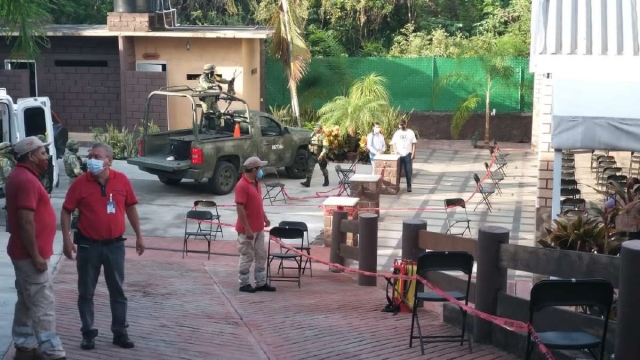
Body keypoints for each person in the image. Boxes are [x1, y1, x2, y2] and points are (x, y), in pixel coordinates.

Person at [60, 143, 146, 351]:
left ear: (109, 160)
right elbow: (66, 211)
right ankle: (88, 333)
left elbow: (131, 207)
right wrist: (66, 239)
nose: (91, 160)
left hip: (115, 245)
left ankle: (120, 332)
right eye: (90, 156)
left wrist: (139, 236)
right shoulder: (80, 183)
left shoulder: (122, 180)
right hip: (89, 246)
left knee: (117, 290)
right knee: (86, 291)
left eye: (96, 156)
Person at [5, 136, 67, 360]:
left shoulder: (21, 176)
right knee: (43, 302)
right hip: (30, 256)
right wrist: (37, 256)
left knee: (27, 299)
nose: (46, 158)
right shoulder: (27, 181)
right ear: (30, 156)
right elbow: (25, 221)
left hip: (23, 253)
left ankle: (24, 344)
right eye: (42, 153)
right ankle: (52, 351)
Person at [235, 156, 276, 293]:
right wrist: (247, 228)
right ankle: (244, 283)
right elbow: (240, 208)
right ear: (254, 169)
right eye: (260, 168)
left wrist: (265, 217)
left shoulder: (256, 183)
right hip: (248, 229)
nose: (261, 171)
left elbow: (258, 203)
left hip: (258, 227)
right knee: (247, 255)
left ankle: (260, 282)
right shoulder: (242, 185)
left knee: (260, 254)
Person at [63, 140, 86, 230]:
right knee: (77, 200)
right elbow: (77, 171)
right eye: (76, 145)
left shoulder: (68, 155)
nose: (78, 147)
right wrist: (87, 175)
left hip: (72, 179)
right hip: (75, 180)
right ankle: (75, 223)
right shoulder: (72, 157)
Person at [390, 120, 417, 192]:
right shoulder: (397, 133)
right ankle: (397, 185)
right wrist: (395, 152)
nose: (402, 126)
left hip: (407, 154)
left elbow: (414, 143)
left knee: (408, 170)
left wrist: (413, 153)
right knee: (398, 171)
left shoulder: (410, 132)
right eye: (400, 125)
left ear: (406, 124)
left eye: (403, 125)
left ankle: (409, 186)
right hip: (399, 154)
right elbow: (393, 143)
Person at [301, 123, 329, 187]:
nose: (316, 129)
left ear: (321, 129)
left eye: (317, 128)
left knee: (323, 168)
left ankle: (326, 180)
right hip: (312, 155)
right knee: (309, 168)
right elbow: (309, 143)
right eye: (315, 127)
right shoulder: (312, 134)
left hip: (320, 156)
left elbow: (326, 147)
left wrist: (321, 155)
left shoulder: (324, 137)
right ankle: (307, 182)